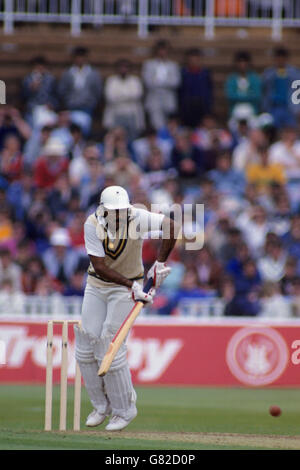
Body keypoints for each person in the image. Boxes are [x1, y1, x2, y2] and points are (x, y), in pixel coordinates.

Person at [74, 185, 177, 431]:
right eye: (114, 211)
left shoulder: (137, 216)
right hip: (99, 285)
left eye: (122, 210)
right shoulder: (92, 224)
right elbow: (99, 266)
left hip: (126, 288)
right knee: (85, 347)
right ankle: (101, 406)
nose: (119, 215)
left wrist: (159, 264)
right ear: (103, 209)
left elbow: (171, 226)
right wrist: (132, 285)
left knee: (112, 345)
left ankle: (125, 410)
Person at [58, 47, 102, 135]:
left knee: (84, 131)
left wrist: (91, 102)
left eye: (82, 57)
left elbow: (97, 91)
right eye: (78, 57)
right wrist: (68, 102)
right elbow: (62, 90)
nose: (80, 59)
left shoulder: (93, 74)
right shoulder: (68, 73)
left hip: (87, 107)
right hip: (71, 107)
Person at [142, 40, 181, 130]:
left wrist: (159, 82)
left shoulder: (173, 65)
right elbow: (148, 82)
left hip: (168, 98)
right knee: (156, 125)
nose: (162, 52)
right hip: (154, 98)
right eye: (160, 50)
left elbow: (176, 82)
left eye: (164, 50)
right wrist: (165, 82)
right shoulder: (149, 64)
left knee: (170, 125)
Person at [103, 59, 145, 140]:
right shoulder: (111, 81)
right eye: (121, 67)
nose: (123, 69)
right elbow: (110, 97)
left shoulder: (135, 80)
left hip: (132, 113)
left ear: (129, 69)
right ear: (117, 69)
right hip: (116, 113)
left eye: (126, 67)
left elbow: (137, 95)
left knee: (133, 137)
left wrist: (119, 96)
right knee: (116, 137)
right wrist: (128, 96)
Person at [262, 48, 300, 128]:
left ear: (286, 59)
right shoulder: (269, 73)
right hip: (273, 107)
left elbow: (297, 90)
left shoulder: (294, 73)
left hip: (289, 108)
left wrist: (297, 108)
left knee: (291, 128)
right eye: (278, 58)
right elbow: (265, 89)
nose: (280, 61)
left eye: (282, 58)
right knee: (273, 128)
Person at [179, 48, 213, 127]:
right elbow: (180, 92)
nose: (194, 62)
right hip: (186, 108)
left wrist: (208, 108)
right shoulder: (183, 73)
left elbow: (209, 91)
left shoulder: (205, 74)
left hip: (202, 106)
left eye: (196, 60)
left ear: (200, 60)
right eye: (191, 60)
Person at [225, 51, 261, 116]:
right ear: (236, 63)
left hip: (251, 110)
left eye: (245, 61)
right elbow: (230, 96)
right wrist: (247, 95)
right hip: (235, 110)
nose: (242, 64)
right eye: (240, 62)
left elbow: (257, 95)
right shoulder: (231, 79)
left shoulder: (255, 78)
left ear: (248, 63)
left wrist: (239, 95)